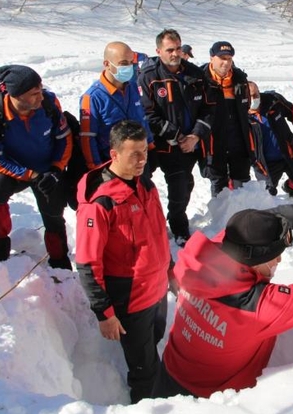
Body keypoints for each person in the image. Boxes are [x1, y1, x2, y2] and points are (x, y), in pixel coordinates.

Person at [152, 188, 293, 398]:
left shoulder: (212, 251)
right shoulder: (257, 307)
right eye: (275, 256)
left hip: (168, 370)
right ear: (256, 261)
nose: (280, 259)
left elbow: (252, 224)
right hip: (208, 401)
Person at [75, 120, 173, 404]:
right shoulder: (101, 203)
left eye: (144, 151)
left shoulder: (146, 185)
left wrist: (171, 269)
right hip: (132, 298)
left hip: (157, 290)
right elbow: (87, 263)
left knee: (153, 347)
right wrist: (104, 313)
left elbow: (157, 233)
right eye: (135, 154)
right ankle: (147, 407)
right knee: (143, 371)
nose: (143, 160)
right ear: (114, 154)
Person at [0, 65, 73, 269]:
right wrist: (30, 175)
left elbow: (64, 140)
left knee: (54, 215)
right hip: (13, 169)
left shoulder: (49, 103)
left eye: (41, 91)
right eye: (34, 94)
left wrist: (56, 170)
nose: (41, 97)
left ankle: (60, 262)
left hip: (47, 167)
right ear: (15, 96)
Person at [138, 29, 213, 246]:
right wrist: (177, 135)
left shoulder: (195, 74)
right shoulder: (149, 76)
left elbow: (208, 108)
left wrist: (195, 136)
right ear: (158, 51)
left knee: (182, 187)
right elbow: (147, 113)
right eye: (169, 49)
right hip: (157, 145)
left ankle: (178, 226)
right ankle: (150, 228)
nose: (174, 53)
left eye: (178, 48)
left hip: (186, 146)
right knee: (144, 189)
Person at [79, 41, 152, 170]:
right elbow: (88, 138)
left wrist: (150, 145)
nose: (129, 67)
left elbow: (142, 119)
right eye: (124, 63)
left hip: (138, 163)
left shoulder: (133, 87)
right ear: (107, 64)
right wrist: (96, 167)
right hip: (111, 167)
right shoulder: (92, 98)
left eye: (131, 63)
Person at [201, 41, 256, 195]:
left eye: (229, 59)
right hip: (213, 140)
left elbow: (246, 109)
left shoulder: (239, 79)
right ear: (212, 57)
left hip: (237, 139)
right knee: (218, 183)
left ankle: (243, 214)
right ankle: (221, 217)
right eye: (222, 58)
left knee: (243, 183)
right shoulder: (201, 79)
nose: (226, 63)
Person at [246, 82, 293, 202]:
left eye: (256, 94)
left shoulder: (273, 101)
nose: (255, 98)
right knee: (268, 195)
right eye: (250, 96)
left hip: (288, 152)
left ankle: (290, 188)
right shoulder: (242, 117)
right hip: (265, 164)